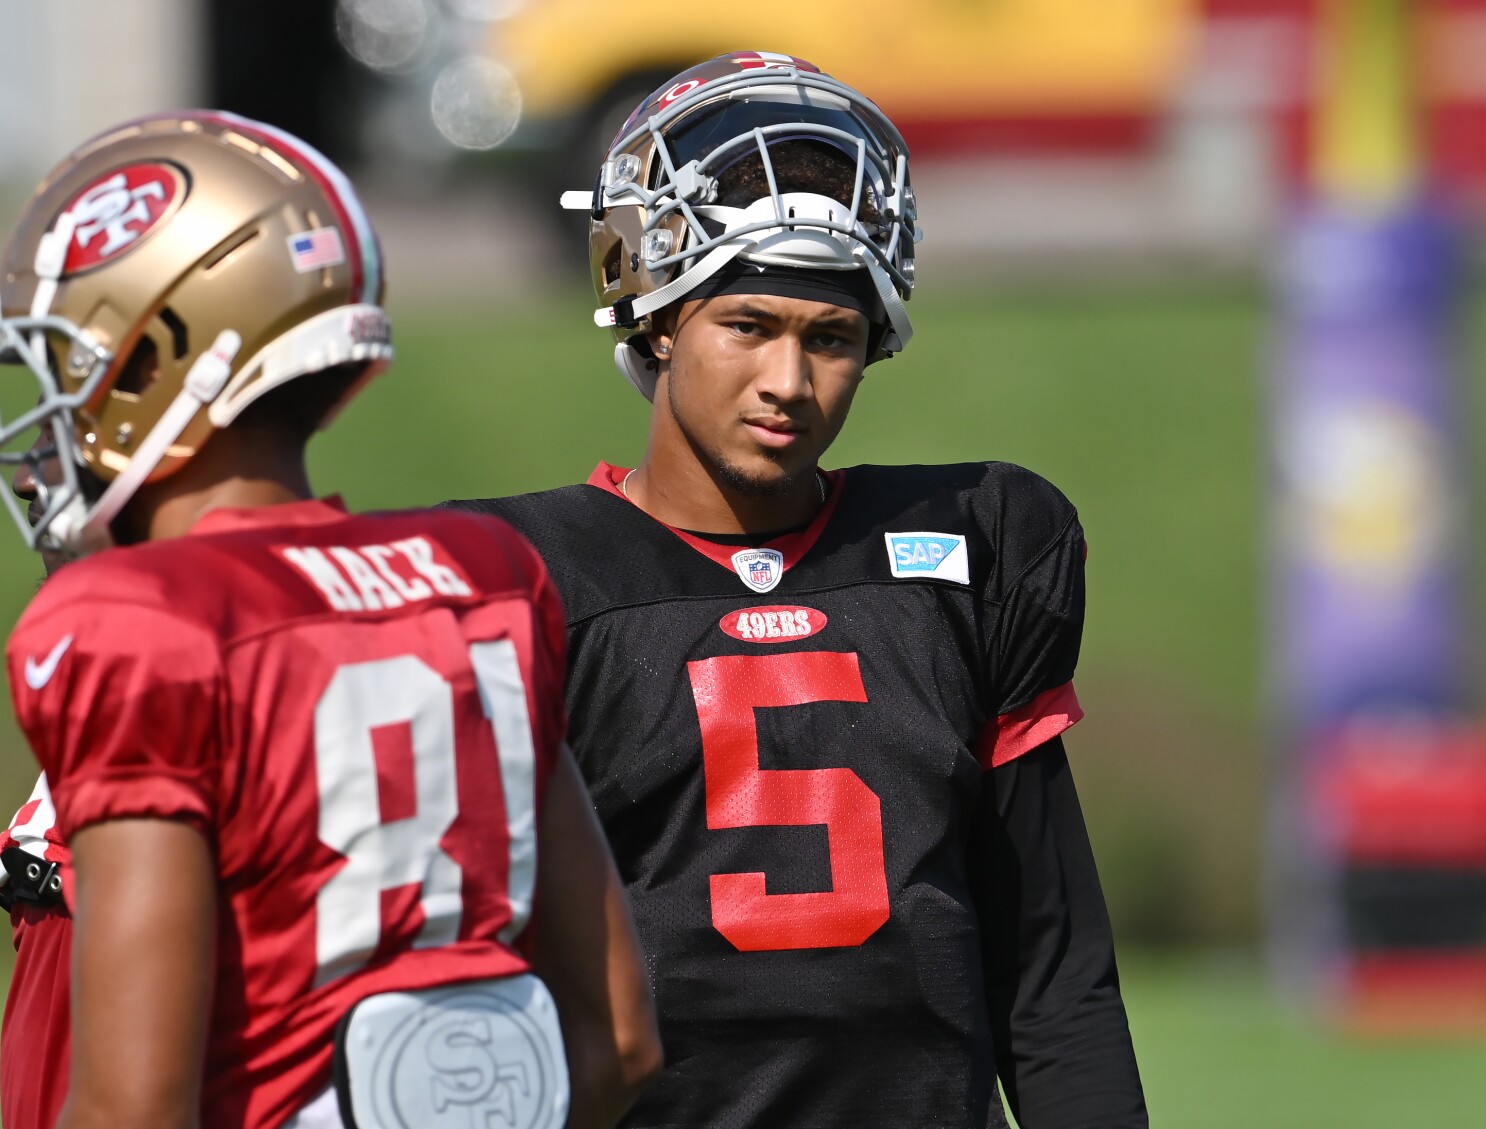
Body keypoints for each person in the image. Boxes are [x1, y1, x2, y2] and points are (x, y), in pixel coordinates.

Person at [445, 53, 1146, 1128]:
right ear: (660, 316)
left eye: (831, 338)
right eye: (748, 326)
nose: (787, 381)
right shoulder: (518, 575)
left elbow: (1049, 967)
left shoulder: (972, 546)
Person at [0, 111, 660, 1129]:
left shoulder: (140, 621)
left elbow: (132, 1110)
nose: (53, 412)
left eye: (75, 362)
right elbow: (619, 1037)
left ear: (159, 357)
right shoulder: (480, 578)